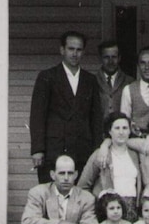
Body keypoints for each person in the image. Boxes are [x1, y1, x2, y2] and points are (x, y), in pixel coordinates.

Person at [29, 31, 103, 182]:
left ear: (83, 52)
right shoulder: (47, 77)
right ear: (62, 50)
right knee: (51, 197)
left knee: (80, 196)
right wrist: (38, 150)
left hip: (82, 150)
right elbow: (37, 116)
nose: (75, 54)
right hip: (54, 149)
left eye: (79, 49)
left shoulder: (90, 80)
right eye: (71, 49)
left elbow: (96, 119)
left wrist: (97, 150)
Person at [77, 112, 142, 220]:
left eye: (125, 128)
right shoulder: (101, 154)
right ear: (110, 131)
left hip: (132, 211)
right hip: (109, 212)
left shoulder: (135, 154)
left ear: (130, 131)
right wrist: (98, 204)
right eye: (117, 128)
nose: (121, 132)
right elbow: (82, 186)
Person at [120, 47, 149, 136]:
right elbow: (124, 121)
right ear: (138, 66)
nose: (147, 67)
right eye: (142, 63)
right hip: (137, 140)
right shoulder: (128, 90)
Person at [94, 41, 135, 119]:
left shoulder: (129, 81)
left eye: (114, 57)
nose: (110, 61)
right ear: (100, 58)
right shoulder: (92, 81)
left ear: (119, 58)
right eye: (106, 57)